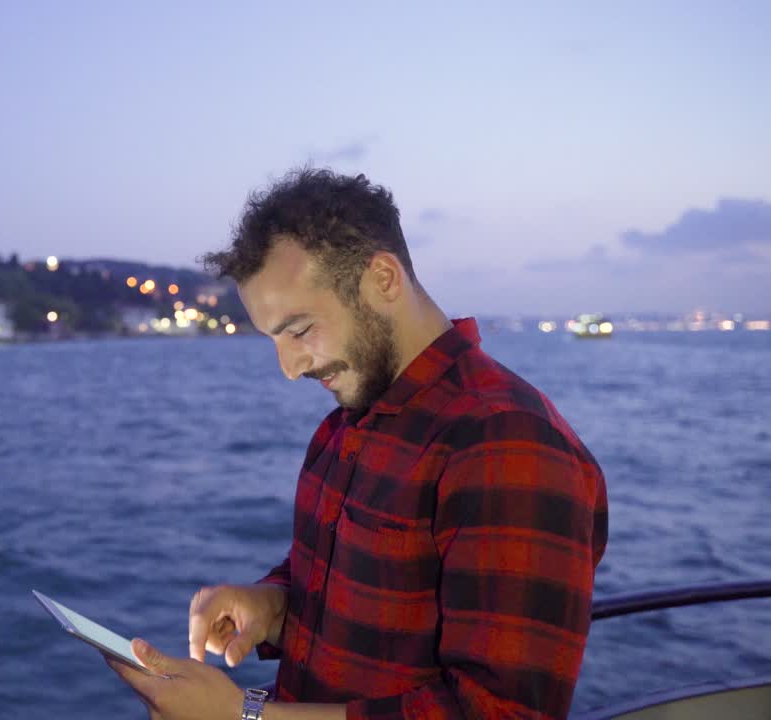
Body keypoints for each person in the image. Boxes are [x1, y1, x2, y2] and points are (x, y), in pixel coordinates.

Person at [106, 168, 609, 719]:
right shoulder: (347, 426)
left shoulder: (504, 439)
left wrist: (239, 716)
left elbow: (501, 714)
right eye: (275, 339)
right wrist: (271, 604)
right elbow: (352, 588)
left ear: (384, 280)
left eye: (299, 331)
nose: (290, 367)